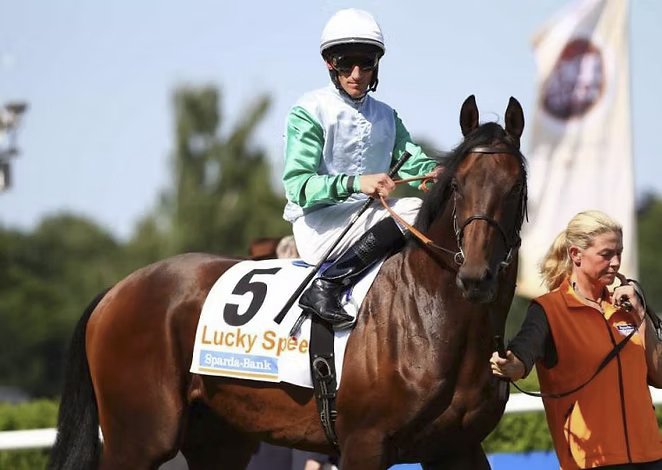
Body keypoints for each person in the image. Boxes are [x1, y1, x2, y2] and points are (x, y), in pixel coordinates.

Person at [282, 8, 442, 327]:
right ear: (330, 63)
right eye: (346, 64)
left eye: (366, 63)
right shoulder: (309, 111)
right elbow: (298, 186)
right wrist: (356, 183)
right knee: (412, 210)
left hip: (367, 221)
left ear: (376, 64)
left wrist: (437, 175)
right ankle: (327, 286)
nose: (356, 74)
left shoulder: (387, 115)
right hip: (319, 225)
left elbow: (415, 162)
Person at [491, 210, 662, 469]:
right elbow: (521, 358)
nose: (616, 262)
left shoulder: (627, 307)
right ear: (576, 254)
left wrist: (641, 314)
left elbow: (659, 376)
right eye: (606, 254)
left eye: (619, 253)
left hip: (651, 455)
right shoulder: (549, 310)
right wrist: (509, 365)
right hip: (591, 460)